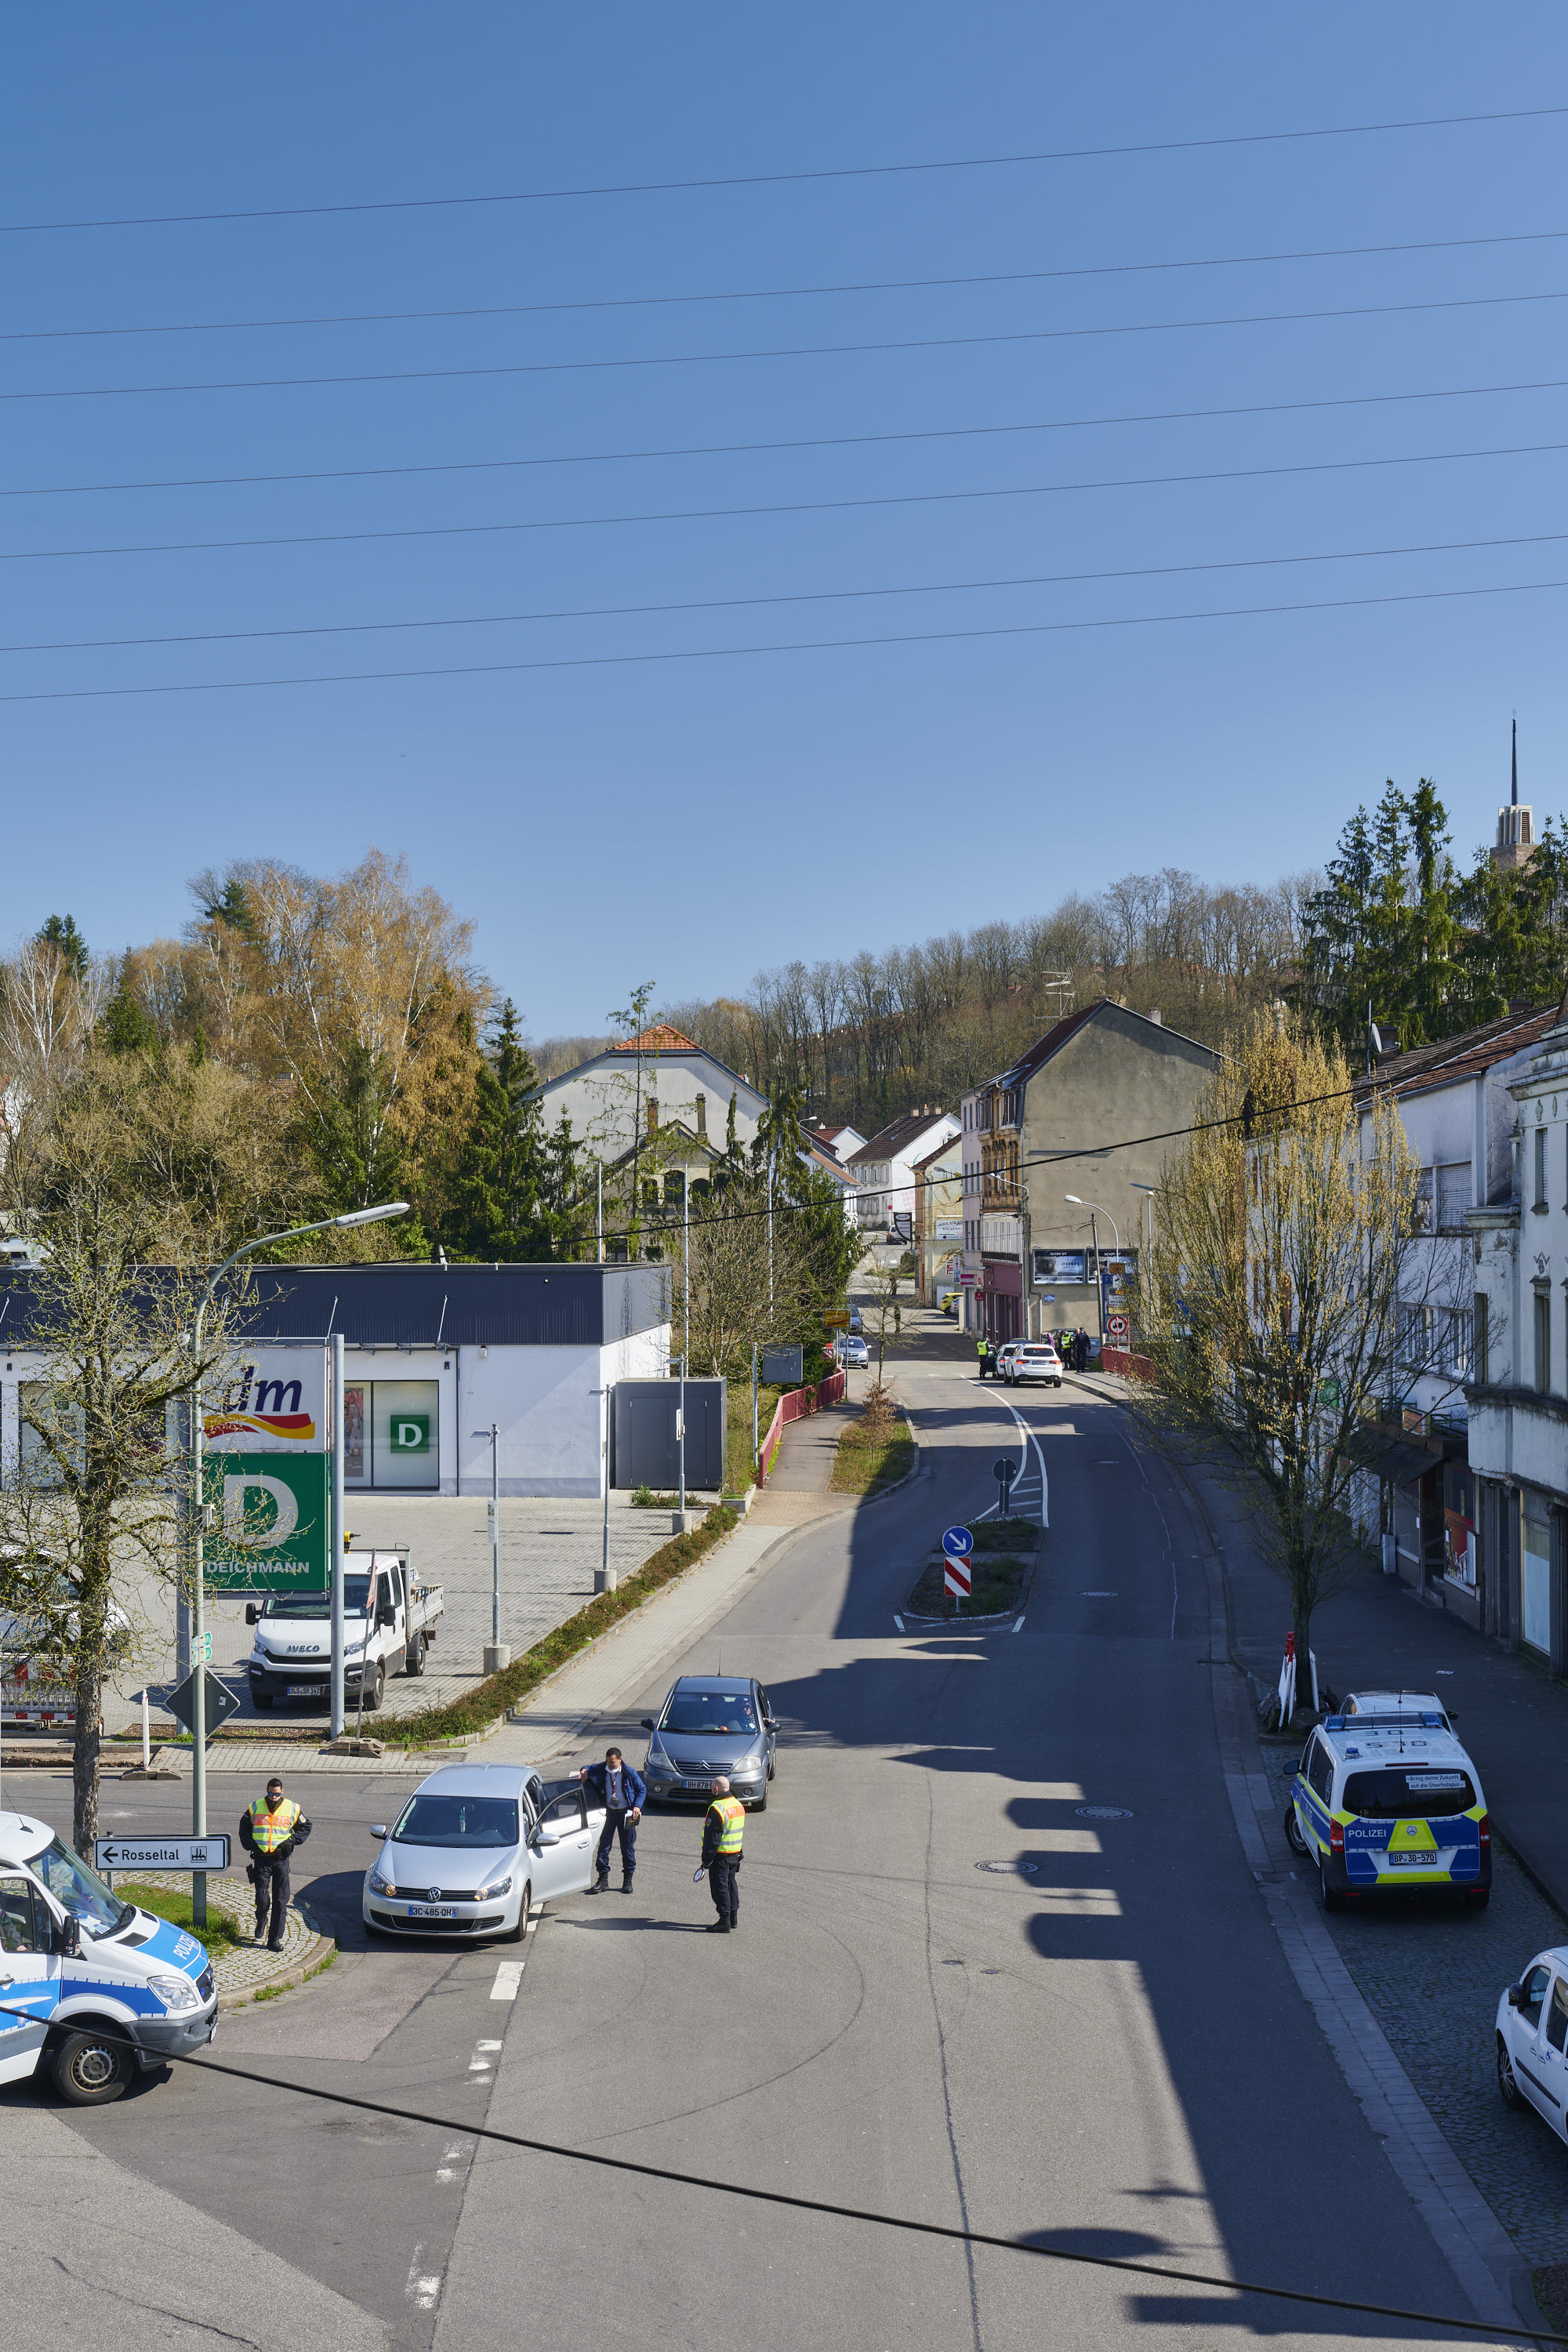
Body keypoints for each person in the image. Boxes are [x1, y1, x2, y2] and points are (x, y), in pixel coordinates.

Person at [239, 1776, 311, 1951]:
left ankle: (274, 1940)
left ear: (282, 1792)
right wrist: (252, 1846)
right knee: (263, 1899)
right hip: (262, 1859)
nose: (273, 1797)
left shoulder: (292, 1808)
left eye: (276, 1794)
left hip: (281, 1860)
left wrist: (292, 1841)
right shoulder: (255, 1807)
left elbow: (306, 1826)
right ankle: (261, 1919)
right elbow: (244, 1829)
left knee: (281, 1900)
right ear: (267, 1791)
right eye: (271, 1793)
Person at [579, 1745, 646, 1893]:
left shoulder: (629, 1772)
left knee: (628, 1848)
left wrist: (637, 1806)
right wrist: (584, 1771)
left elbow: (642, 1789)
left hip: (626, 1814)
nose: (609, 1764)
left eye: (612, 1762)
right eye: (608, 1761)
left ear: (620, 1760)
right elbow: (588, 1767)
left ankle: (627, 1881)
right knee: (603, 1847)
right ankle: (603, 1880)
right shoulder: (603, 1768)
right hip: (609, 1814)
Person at [700, 1774, 746, 1933]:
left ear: (716, 1789)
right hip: (734, 1853)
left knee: (720, 1887)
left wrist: (706, 1860)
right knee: (731, 1884)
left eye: (712, 1788)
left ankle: (724, 1920)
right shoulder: (737, 1804)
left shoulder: (717, 1808)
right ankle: (733, 1918)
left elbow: (713, 1838)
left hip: (720, 1855)